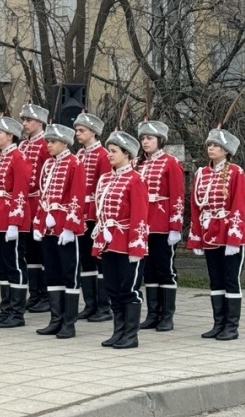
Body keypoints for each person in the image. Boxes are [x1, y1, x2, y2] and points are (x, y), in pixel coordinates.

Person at [188, 127, 245, 341]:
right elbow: (196, 207)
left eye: (216, 145)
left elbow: (239, 205)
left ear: (226, 150)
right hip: (209, 233)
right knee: (215, 280)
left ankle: (231, 326)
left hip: (229, 232)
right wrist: (196, 237)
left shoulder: (236, 172)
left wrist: (234, 237)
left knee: (231, 279)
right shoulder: (201, 174)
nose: (211, 148)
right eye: (210, 145)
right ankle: (218, 323)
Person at [92, 130, 148, 349]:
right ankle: (118, 331)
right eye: (109, 150)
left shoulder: (136, 180)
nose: (109, 155)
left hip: (126, 243)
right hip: (109, 241)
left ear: (127, 154)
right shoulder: (106, 178)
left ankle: (131, 335)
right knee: (112, 288)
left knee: (128, 289)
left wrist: (136, 247)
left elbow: (139, 215)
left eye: (114, 151)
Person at [32, 124, 87, 339]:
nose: (48, 145)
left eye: (53, 142)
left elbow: (77, 198)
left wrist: (70, 227)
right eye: (47, 141)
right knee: (52, 272)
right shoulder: (48, 164)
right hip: (49, 226)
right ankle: (56, 319)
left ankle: (69, 323)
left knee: (69, 274)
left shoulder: (75, 164)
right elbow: (43, 196)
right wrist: (38, 224)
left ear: (64, 143)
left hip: (65, 227)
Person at [133, 120, 185, 332]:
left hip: (162, 224)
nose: (145, 142)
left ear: (160, 140)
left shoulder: (171, 163)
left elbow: (177, 195)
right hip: (143, 224)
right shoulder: (138, 163)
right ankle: (153, 314)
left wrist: (175, 226)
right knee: (149, 270)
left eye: (150, 138)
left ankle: (167, 315)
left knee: (165, 269)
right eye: (143, 138)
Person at [0, 115, 31, 328]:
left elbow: (20, 191)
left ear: (10, 136)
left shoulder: (18, 157)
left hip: (10, 218)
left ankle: (17, 312)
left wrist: (15, 222)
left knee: (14, 265)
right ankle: (6, 309)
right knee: (0, 265)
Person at [74, 112, 113, 322]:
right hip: (81, 213)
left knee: (99, 260)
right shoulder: (79, 154)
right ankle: (90, 304)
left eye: (82, 130)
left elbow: (104, 186)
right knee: (85, 260)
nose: (78, 134)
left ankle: (104, 306)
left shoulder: (103, 155)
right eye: (77, 130)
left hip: (95, 214)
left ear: (93, 132)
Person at [18, 103, 51, 313]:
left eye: (28, 120)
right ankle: (35, 292)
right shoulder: (22, 145)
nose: (24, 124)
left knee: (42, 250)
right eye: (23, 120)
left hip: (39, 202)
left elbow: (49, 176)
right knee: (29, 251)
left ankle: (46, 294)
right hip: (25, 203)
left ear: (39, 122)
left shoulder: (46, 144)